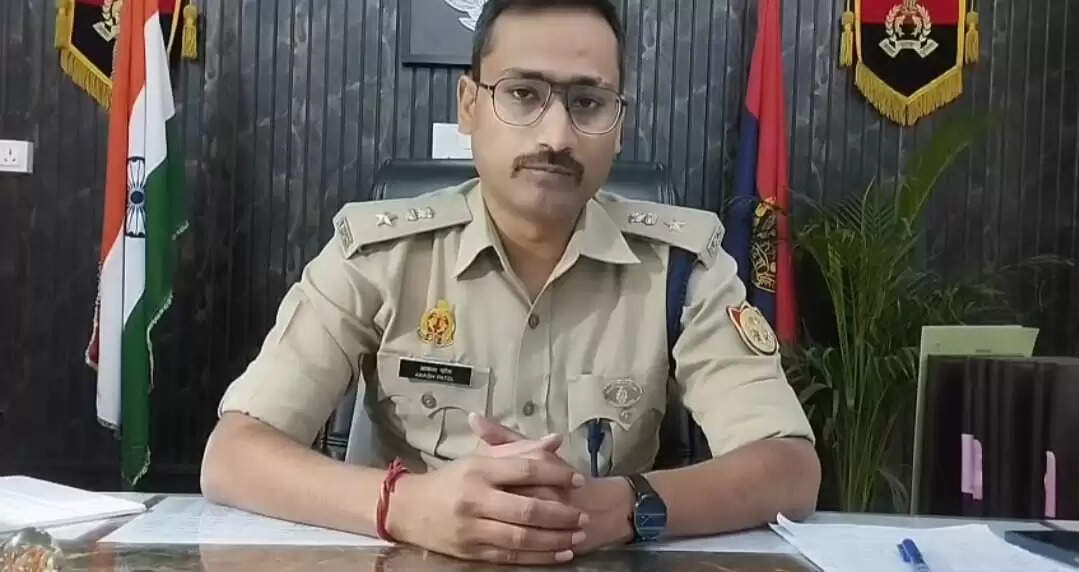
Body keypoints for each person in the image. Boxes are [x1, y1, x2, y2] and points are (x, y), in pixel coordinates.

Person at [200, 0, 820, 565]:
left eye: (588, 102)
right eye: (523, 94)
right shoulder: (379, 254)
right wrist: (404, 505)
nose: (556, 136)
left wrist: (624, 505)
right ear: (469, 106)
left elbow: (790, 467)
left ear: (619, 123)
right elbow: (233, 454)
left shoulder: (681, 267)